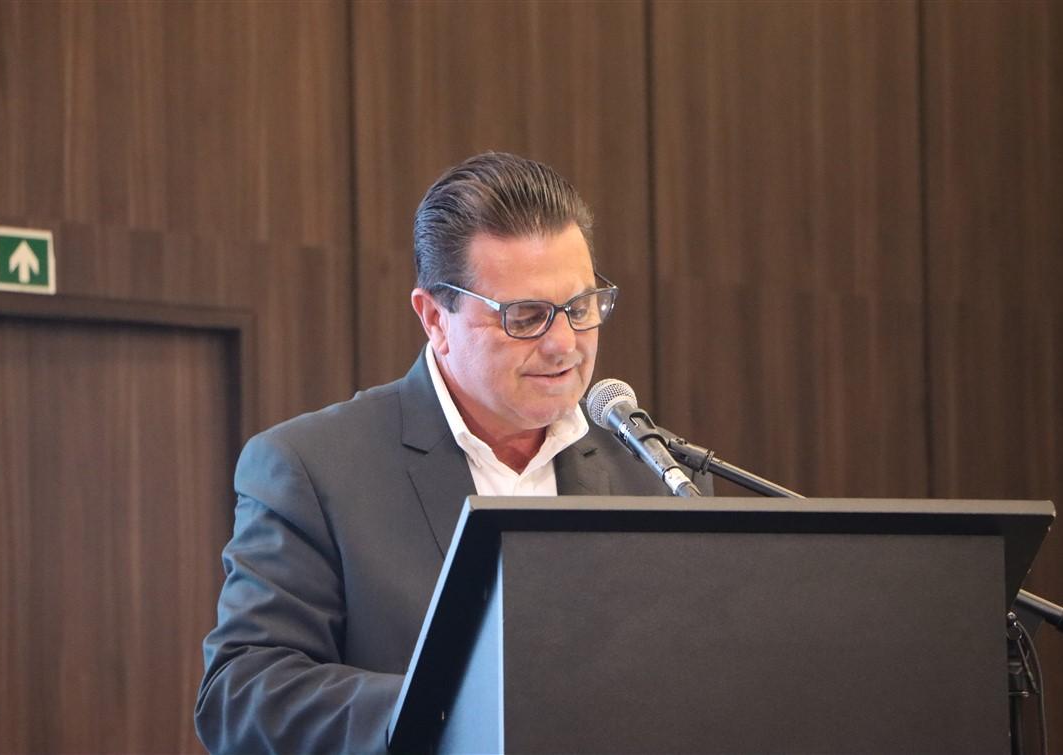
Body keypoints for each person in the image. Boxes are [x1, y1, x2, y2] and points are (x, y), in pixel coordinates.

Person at [194, 152, 707, 754]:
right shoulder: (311, 468)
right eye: (526, 317)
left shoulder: (655, 474)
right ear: (435, 317)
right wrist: (455, 710)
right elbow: (241, 695)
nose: (564, 344)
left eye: (580, 308)